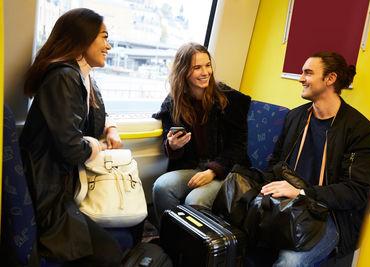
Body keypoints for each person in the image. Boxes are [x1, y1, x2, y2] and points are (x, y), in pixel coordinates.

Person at [19, 8, 139, 266]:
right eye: (104, 37)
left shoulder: (84, 79)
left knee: (137, 225)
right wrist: (94, 144)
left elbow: (91, 117)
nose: (108, 46)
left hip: (67, 185)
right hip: (49, 193)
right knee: (110, 254)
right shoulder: (63, 77)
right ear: (82, 39)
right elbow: (72, 149)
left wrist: (111, 128)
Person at [259, 52, 370, 266]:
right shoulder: (296, 117)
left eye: (308, 73)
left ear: (330, 79)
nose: (300, 78)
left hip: (331, 216)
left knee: (290, 262)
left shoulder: (361, 131)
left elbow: (356, 191)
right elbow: (276, 163)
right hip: (289, 204)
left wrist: (302, 192)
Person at [152, 42, 252, 225]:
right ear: (183, 72)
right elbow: (169, 142)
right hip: (193, 166)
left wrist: (213, 170)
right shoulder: (174, 103)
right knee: (162, 187)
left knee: (194, 201)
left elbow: (238, 147)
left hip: (226, 169)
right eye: (197, 67)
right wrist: (173, 146)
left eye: (207, 65)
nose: (205, 72)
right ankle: (169, 239)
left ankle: (193, 248)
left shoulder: (230, 100)